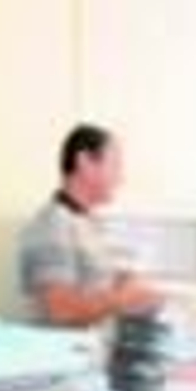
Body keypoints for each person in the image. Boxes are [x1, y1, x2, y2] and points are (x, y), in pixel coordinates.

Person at [17, 124, 160, 326]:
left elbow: (93, 283)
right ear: (84, 162)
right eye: (115, 165)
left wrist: (124, 280)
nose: (121, 178)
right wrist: (124, 298)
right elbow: (61, 310)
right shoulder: (53, 225)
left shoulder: (86, 222)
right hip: (64, 354)